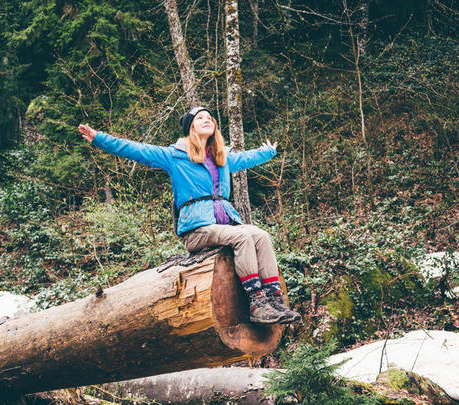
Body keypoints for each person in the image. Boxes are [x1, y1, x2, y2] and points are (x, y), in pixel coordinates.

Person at [78, 106, 301, 324]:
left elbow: (247, 159)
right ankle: (257, 303)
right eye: (200, 118)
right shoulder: (174, 156)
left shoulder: (221, 157)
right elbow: (134, 149)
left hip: (224, 225)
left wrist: (268, 152)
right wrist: (99, 138)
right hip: (196, 230)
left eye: (210, 118)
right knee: (242, 237)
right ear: (190, 127)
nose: (207, 120)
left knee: (260, 235)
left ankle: (275, 300)